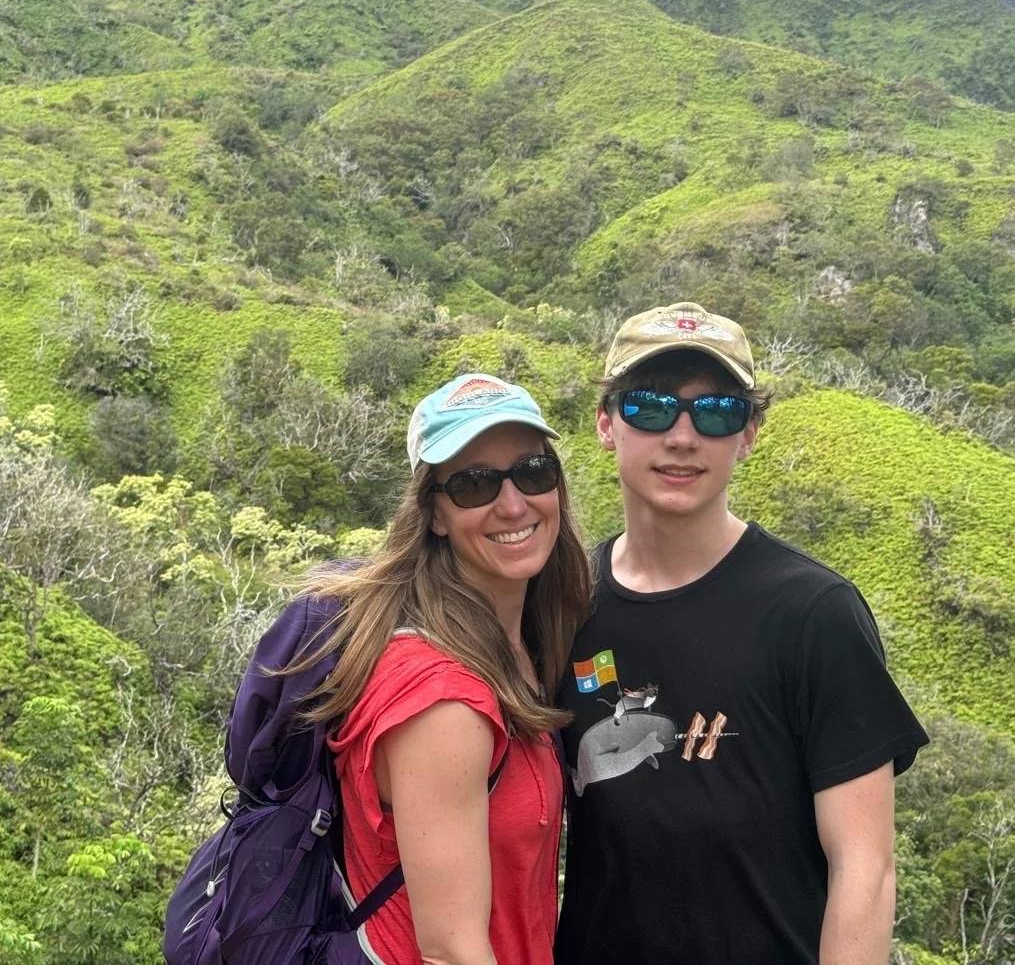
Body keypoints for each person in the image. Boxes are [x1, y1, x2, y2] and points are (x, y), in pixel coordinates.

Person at [555, 303, 929, 965]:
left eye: (717, 412)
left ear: (749, 434)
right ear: (606, 423)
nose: (682, 436)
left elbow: (865, 870)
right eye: (650, 407)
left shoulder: (814, 613)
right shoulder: (565, 605)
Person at [299, 372, 592, 965]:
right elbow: (452, 951)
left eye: (533, 472)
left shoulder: (521, 647)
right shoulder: (444, 701)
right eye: (474, 484)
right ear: (434, 513)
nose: (513, 504)